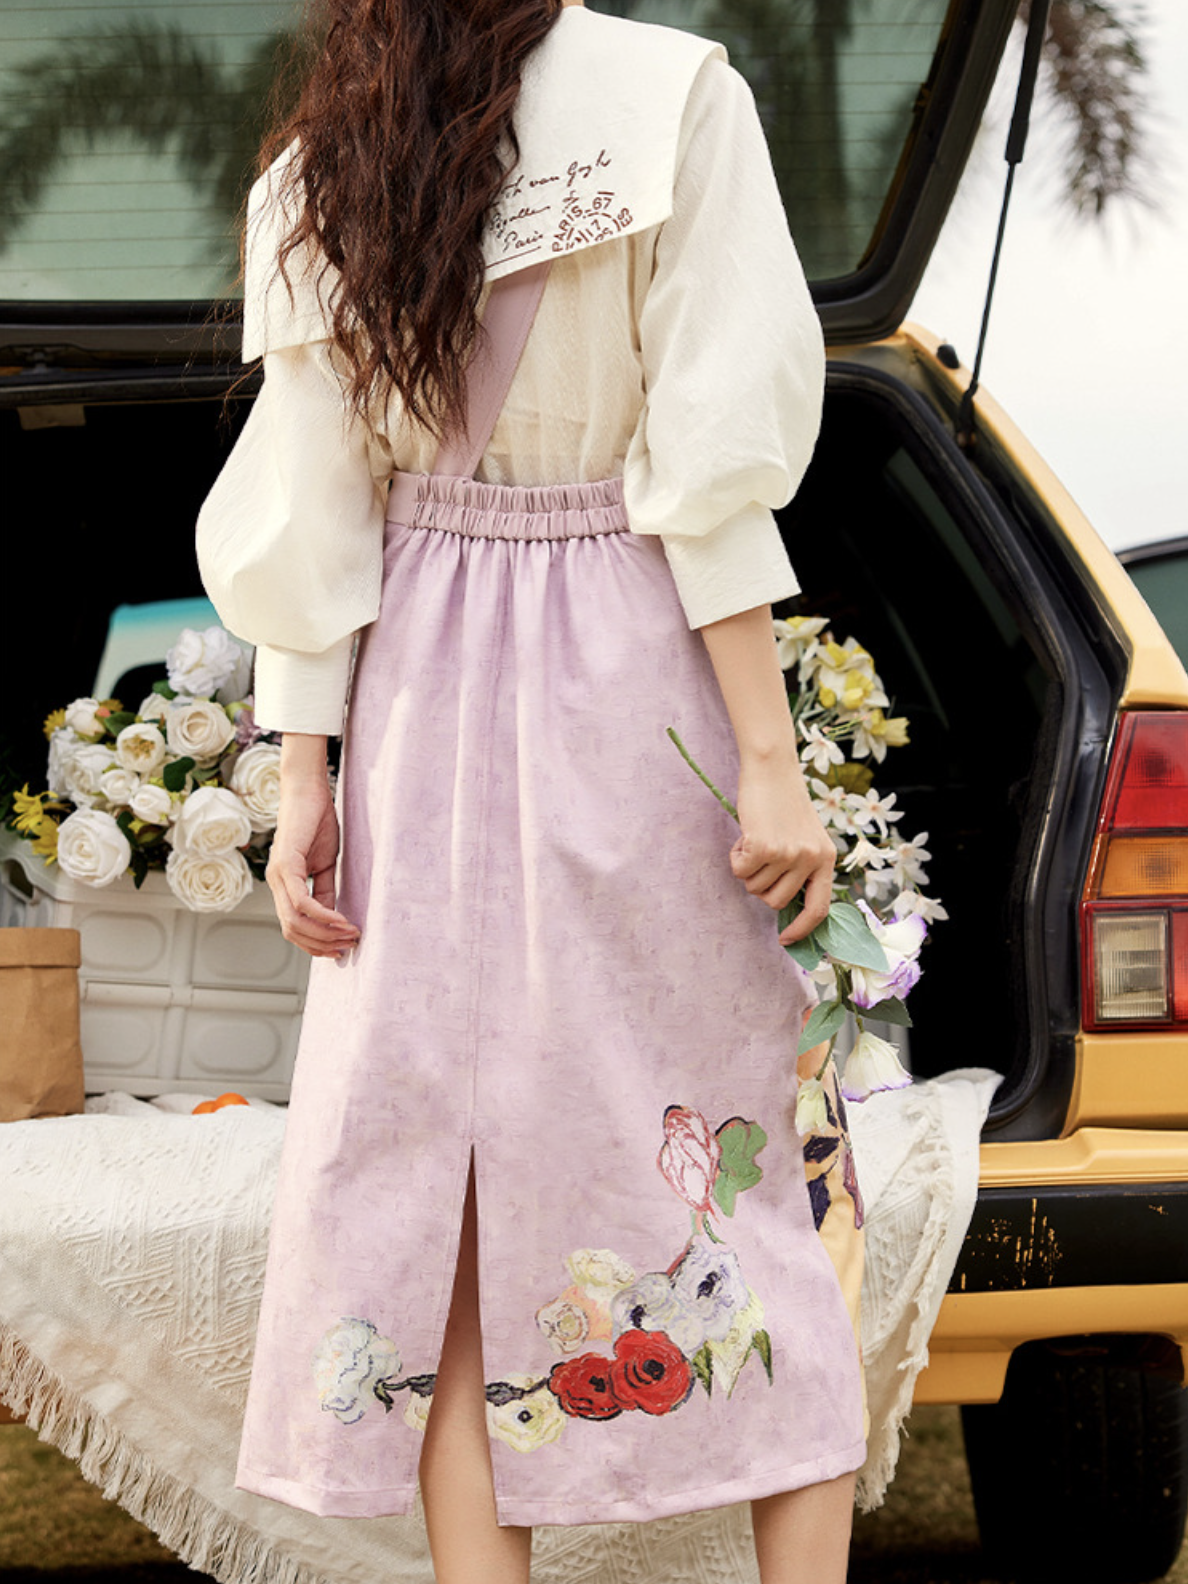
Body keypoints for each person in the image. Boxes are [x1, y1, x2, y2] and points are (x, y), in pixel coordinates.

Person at [197, 2, 866, 1580]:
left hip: (417, 692)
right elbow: (708, 467)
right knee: (749, 1166)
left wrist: (309, 773)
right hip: (628, 669)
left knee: (449, 1192)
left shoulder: (316, 164)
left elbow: (317, 500)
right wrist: (771, 770)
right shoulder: (675, 95)